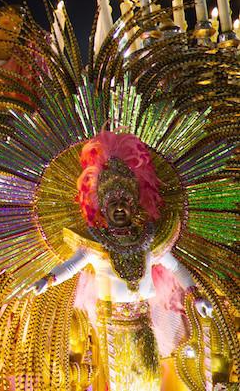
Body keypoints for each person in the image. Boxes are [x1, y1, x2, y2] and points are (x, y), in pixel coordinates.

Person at [33, 131, 212, 389]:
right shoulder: (96, 243)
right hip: (111, 327)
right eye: (112, 202)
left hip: (143, 323)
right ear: (102, 207)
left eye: (125, 201)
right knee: (118, 382)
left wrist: (196, 296)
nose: (119, 207)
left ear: (135, 205)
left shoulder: (150, 239)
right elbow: (72, 266)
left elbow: (176, 268)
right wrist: (47, 280)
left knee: (148, 378)